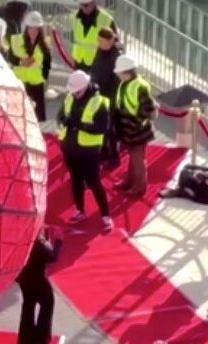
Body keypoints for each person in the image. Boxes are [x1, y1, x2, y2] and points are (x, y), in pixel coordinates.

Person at [58, 70, 112, 232]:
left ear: (86, 86)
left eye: (78, 92)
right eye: (73, 92)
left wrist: (79, 124)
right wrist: (64, 120)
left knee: (94, 182)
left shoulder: (100, 102)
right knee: (75, 180)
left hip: (88, 150)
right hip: (70, 147)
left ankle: (105, 215)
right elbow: (60, 115)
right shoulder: (69, 96)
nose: (74, 95)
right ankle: (79, 210)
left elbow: (102, 128)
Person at [112, 55, 156, 196]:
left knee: (138, 160)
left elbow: (147, 109)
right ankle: (129, 181)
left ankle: (139, 188)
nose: (117, 74)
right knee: (133, 157)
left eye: (119, 72)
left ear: (126, 72)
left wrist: (134, 123)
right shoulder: (126, 83)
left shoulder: (139, 86)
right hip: (128, 128)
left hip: (137, 130)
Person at [17, 227, 62, 344]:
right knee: (47, 303)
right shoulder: (39, 243)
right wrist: (58, 242)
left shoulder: (25, 238)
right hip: (37, 279)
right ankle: (42, 339)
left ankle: (26, 340)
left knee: (28, 305)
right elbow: (52, 257)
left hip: (23, 277)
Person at [89, 29, 124, 168]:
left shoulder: (116, 56)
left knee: (110, 128)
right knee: (100, 125)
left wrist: (107, 98)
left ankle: (114, 156)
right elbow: (95, 68)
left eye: (102, 41)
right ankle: (103, 151)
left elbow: (116, 81)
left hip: (110, 96)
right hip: (99, 93)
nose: (99, 43)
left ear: (110, 41)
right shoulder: (100, 51)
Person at [8, 11, 52, 122]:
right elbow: (10, 57)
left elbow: (47, 63)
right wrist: (20, 62)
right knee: (17, 115)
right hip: (20, 82)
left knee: (35, 118)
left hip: (36, 84)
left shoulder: (44, 44)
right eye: (30, 28)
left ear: (40, 30)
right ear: (26, 28)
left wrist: (43, 77)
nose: (33, 32)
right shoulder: (16, 40)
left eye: (36, 29)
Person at [70, 0, 115, 71]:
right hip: (79, 63)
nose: (83, 7)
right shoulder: (75, 17)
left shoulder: (106, 19)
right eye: (81, 4)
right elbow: (75, 39)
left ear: (94, 2)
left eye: (86, 5)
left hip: (98, 65)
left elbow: (114, 44)